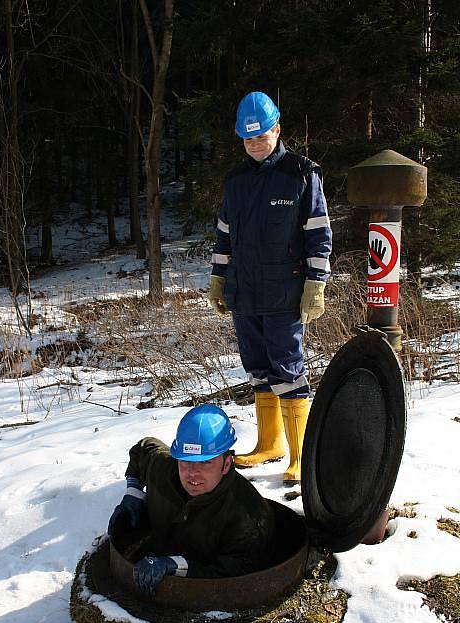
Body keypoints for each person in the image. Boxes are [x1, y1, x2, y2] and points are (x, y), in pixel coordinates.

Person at [208, 91, 332, 485]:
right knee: (258, 370)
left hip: (284, 294)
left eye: (261, 137)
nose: (255, 145)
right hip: (244, 294)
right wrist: (217, 277)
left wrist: (316, 283)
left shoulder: (301, 173)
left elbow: (319, 232)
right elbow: (224, 235)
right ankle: (269, 444)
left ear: (277, 129)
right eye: (247, 140)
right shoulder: (236, 181)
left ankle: (299, 456)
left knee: (288, 370)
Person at [107, 404, 276, 596]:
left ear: (227, 463)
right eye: (186, 461)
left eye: (206, 462)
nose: (193, 474)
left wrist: (177, 565)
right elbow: (143, 449)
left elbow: (232, 577)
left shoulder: (248, 516)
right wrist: (133, 494)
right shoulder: (164, 468)